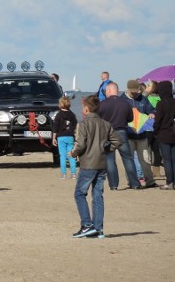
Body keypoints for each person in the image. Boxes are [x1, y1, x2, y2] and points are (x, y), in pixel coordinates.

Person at [69, 96, 120, 238]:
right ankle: (98, 229)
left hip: (88, 164)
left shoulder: (83, 124)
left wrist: (73, 153)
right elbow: (118, 140)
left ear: (85, 109)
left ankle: (87, 225)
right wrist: (107, 149)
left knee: (79, 194)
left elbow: (80, 145)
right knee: (97, 195)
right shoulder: (106, 124)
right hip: (102, 164)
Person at [98, 82, 141, 190]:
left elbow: (98, 120)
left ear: (108, 91)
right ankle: (134, 183)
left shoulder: (102, 104)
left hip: (107, 132)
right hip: (121, 131)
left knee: (109, 159)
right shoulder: (125, 103)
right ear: (117, 91)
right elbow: (130, 119)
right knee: (127, 158)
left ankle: (113, 185)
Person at [120, 79, 157, 188]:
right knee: (129, 160)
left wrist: (152, 113)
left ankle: (150, 181)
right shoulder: (122, 100)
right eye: (133, 92)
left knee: (145, 159)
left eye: (137, 91)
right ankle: (131, 181)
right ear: (128, 89)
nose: (135, 94)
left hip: (142, 135)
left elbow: (152, 109)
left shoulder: (143, 99)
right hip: (128, 136)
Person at [152, 80, 175, 189]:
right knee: (174, 159)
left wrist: (156, 132)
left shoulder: (160, 104)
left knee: (167, 159)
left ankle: (169, 182)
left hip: (163, 135)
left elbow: (157, 121)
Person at [52, 96, 78, 179]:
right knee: (71, 155)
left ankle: (63, 174)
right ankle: (73, 174)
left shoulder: (58, 115)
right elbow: (75, 126)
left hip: (61, 137)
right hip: (70, 136)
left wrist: (53, 138)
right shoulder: (72, 115)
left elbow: (55, 127)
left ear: (60, 105)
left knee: (62, 155)